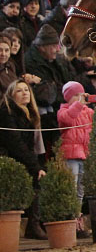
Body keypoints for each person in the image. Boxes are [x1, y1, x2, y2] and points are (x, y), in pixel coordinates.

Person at [0, 80, 47, 238]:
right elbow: (16, 144)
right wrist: (35, 166)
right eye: (19, 91)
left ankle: (34, 225)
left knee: (39, 179)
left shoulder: (30, 113)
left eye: (26, 90)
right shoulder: (7, 112)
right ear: (12, 95)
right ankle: (30, 227)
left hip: (24, 158)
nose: (25, 92)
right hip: (10, 159)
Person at [57, 80, 94, 237]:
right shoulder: (63, 111)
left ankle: (77, 219)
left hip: (84, 154)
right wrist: (79, 105)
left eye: (81, 95)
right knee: (71, 189)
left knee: (80, 190)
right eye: (76, 95)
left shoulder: (88, 112)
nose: (80, 98)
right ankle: (71, 220)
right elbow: (68, 119)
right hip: (71, 155)